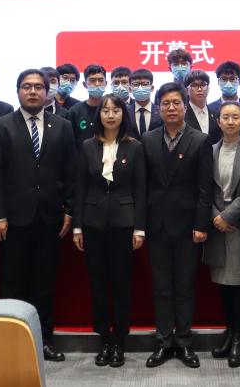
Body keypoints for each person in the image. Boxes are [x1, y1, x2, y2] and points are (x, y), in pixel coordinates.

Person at [0, 69, 77, 361]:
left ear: (47, 92)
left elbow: (71, 172)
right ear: (18, 91)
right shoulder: (1, 126)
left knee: (44, 283)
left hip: (50, 218)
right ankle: (13, 342)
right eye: (27, 87)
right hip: (13, 220)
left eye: (38, 87)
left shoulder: (62, 126)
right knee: (13, 281)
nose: (33, 91)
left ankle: (43, 339)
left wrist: (70, 210)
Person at [142, 82, 214, 369]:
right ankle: (163, 342)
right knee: (161, 287)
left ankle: (183, 342)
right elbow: (142, 186)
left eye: (176, 103)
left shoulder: (200, 140)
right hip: (156, 224)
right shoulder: (147, 139)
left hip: (188, 227)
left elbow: (205, 188)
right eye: (165, 103)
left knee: (184, 286)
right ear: (159, 108)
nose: (171, 108)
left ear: (185, 106)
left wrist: (201, 224)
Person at [72, 94, 146, 368]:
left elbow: (140, 189)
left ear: (123, 114)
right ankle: (104, 339)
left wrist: (140, 228)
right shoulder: (87, 146)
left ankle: (120, 342)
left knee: (122, 284)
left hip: (124, 224)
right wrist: (77, 226)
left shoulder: (134, 147)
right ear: (99, 115)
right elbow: (80, 188)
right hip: (93, 224)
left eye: (116, 110)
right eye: (106, 111)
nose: (111, 115)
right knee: (98, 284)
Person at [204, 101, 240, 368]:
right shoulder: (210, 151)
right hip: (216, 224)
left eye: (235, 117)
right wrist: (216, 216)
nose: (230, 122)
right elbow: (204, 188)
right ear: (218, 121)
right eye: (225, 117)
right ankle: (229, 332)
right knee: (224, 285)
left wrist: (227, 216)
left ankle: (239, 337)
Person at [69, 64, 108, 146]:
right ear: (84, 84)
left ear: (106, 84)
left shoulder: (112, 110)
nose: (97, 84)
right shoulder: (74, 111)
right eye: (92, 80)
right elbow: (71, 142)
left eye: (101, 80)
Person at [184, 69, 221, 145]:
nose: (199, 89)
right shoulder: (182, 114)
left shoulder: (217, 113)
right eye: (194, 85)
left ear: (208, 88)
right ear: (186, 90)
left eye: (203, 85)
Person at [128, 68, 162, 140]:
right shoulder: (124, 112)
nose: (140, 88)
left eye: (145, 84)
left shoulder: (161, 111)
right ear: (130, 89)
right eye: (136, 84)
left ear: (152, 88)